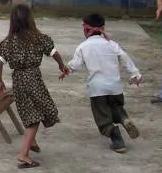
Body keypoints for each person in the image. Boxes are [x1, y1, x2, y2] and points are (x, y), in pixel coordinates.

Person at [0, 4, 69, 169]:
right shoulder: (39, 38)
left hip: (19, 80)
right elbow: (54, 53)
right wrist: (61, 66)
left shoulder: (7, 43)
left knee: (30, 112)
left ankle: (32, 141)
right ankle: (24, 154)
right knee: (38, 114)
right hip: (33, 78)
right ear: (30, 20)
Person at [60, 13, 142, 153]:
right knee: (116, 107)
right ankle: (124, 118)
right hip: (115, 87)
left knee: (103, 118)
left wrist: (65, 71)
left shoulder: (83, 47)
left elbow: (74, 65)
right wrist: (135, 74)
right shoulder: (112, 44)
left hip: (97, 90)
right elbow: (124, 58)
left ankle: (117, 139)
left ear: (86, 30)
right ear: (103, 28)